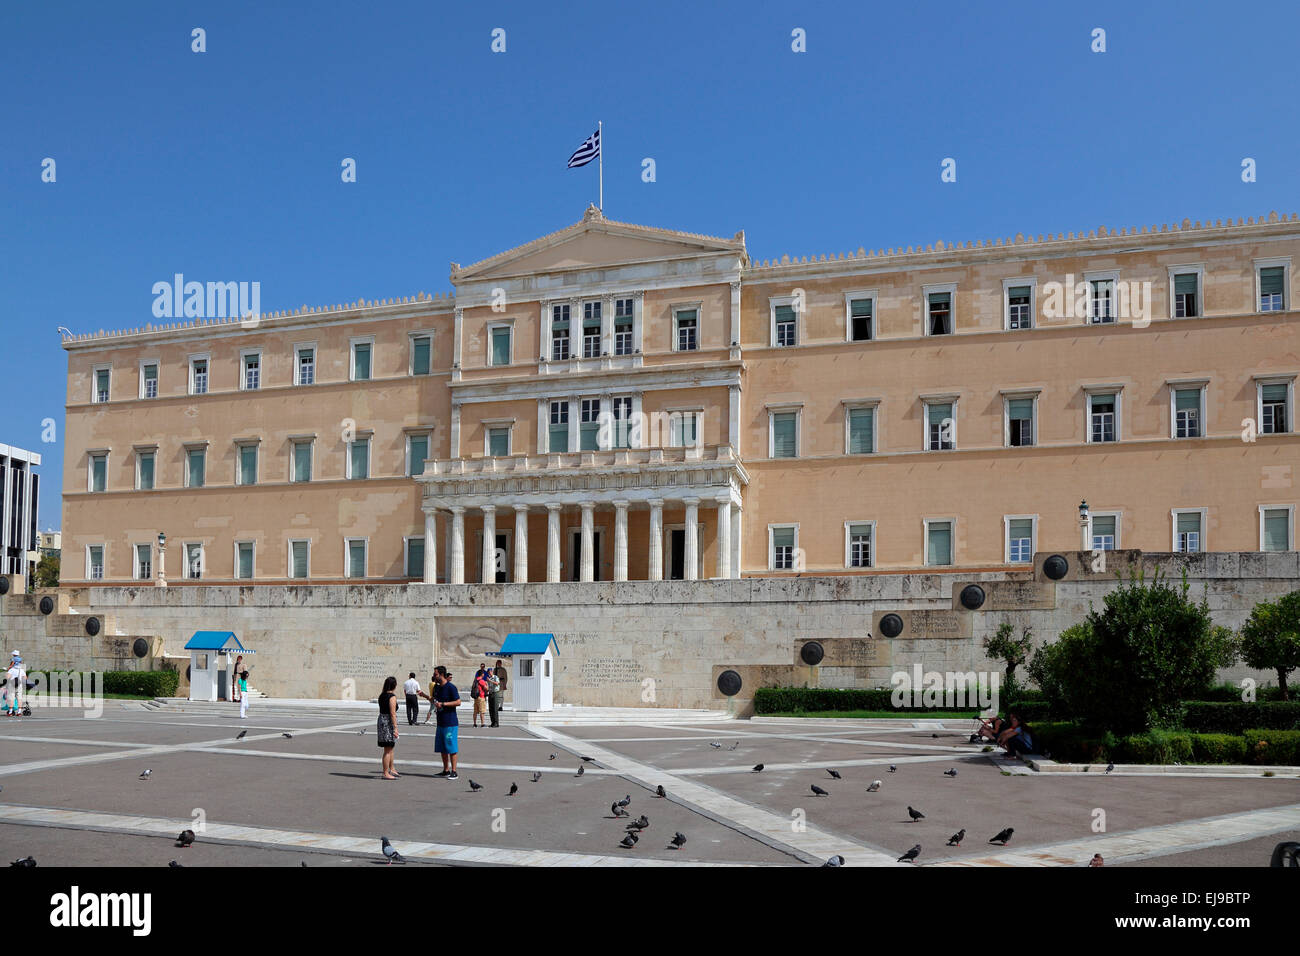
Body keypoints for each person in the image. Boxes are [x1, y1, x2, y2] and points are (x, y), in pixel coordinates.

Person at [431, 666, 461, 779]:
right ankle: (446, 770)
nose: (434, 676)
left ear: (442, 675)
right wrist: (425, 696)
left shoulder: (451, 687)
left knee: (451, 747)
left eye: (436, 674)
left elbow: (458, 702)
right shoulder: (437, 688)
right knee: (442, 747)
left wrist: (443, 704)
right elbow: (435, 700)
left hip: (450, 722)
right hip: (440, 722)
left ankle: (454, 771)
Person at [377, 676, 399, 779]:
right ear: (394, 685)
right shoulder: (392, 697)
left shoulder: (382, 695)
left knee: (390, 747)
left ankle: (392, 768)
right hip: (388, 722)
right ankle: (385, 773)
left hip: (381, 720)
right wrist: (395, 728)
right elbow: (392, 713)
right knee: (387, 749)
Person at [488, 659, 507, 728]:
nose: (489, 673)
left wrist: (504, 684)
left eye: (490, 671)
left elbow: (504, 678)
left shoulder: (502, 670)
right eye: (489, 672)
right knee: (491, 709)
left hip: (498, 688)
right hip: (491, 693)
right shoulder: (492, 674)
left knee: (496, 708)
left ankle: (496, 722)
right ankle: (493, 722)